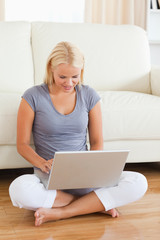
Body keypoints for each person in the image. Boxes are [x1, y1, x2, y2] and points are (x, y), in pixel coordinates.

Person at [9, 41, 148, 227]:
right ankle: (94, 204)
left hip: (86, 176)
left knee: (139, 182)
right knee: (19, 190)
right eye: (62, 76)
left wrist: (94, 168)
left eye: (75, 76)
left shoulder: (89, 95)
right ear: (51, 68)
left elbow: (97, 141)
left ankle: (62, 212)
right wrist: (42, 163)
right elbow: (22, 145)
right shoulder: (32, 96)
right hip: (48, 177)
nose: (69, 83)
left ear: (82, 71)